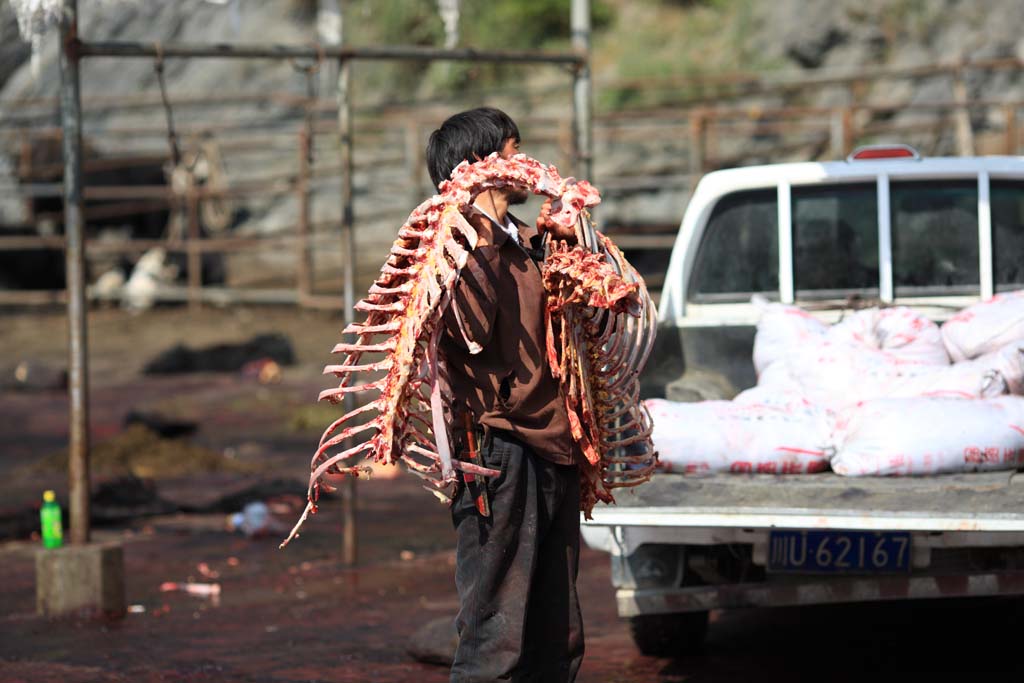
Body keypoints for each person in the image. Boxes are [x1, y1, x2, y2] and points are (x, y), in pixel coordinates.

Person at [426, 107, 584, 682]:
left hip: (550, 447)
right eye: (514, 153)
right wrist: (484, 222)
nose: (526, 165)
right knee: (496, 634)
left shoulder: (522, 242)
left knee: (556, 630)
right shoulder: (453, 248)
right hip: (496, 450)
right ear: (482, 167)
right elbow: (469, 332)